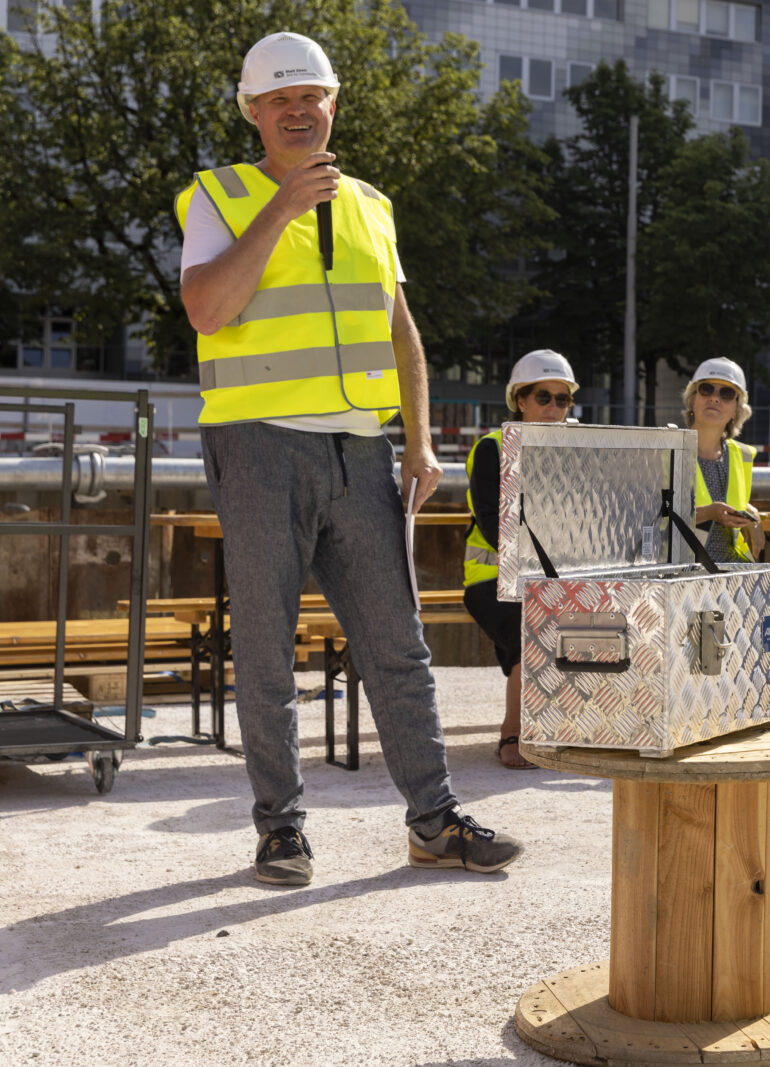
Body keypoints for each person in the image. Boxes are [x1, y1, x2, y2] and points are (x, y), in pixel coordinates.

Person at [176, 32, 523, 885]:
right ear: (253, 112)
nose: (298, 111)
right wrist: (281, 208)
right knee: (267, 648)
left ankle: (434, 820)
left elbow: (401, 331)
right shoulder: (219, 196)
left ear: (333, 104)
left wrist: (420, 438)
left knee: (397, 644)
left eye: (311, 96)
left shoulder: (373, 204)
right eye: (279, 100)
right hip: (258, 444)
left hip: (362, 449)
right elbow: (207, 309)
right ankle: (281, 829)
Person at [464, 349, 578, 769]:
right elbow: (493, 523)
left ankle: (570, 725)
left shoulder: (576, 450)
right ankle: (513, 731)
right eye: (543, 397)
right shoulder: (493, 449)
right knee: (531, 624)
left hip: (550, 578)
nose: (553, 407)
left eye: (562, 399)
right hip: (492, 578)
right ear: (520, 400)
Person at [684, 357, 765, 563]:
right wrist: (709, 513)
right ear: (692, 400)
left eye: (726, 393)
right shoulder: (669, 450)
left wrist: (751, 515)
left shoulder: (742, 455)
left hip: (733, 571)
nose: (715, 398)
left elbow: (735, 500)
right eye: (706, 390)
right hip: (685, 570)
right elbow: (654, 517)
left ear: (736, 411)